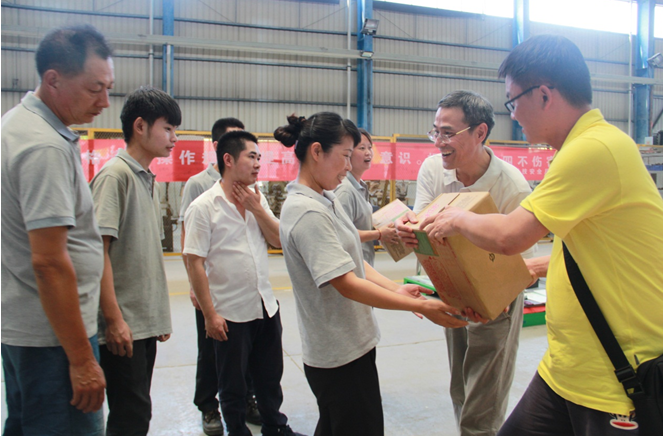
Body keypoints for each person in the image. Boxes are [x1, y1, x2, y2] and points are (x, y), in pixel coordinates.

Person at [417, 35, 663, 436]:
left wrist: (455, 218)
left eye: (513, 102)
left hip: (615, 371)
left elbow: (510, 236)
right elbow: (579, 251)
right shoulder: (581, 148)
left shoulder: (594, 148)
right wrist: (497, 286)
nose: (514, 115)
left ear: (544, 95)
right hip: (567, 364)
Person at [274, 112, 471, 436]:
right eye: (345, 156)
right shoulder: (306, 211)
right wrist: (421, 306)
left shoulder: (326, 199)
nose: (348, 166)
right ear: (317, 151)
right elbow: (347, 284)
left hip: (353, 342)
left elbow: (351, 261)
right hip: (337, 354)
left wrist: (395, 289)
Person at [395, 90, 537, 436]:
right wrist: (408, 229)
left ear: (480, 132)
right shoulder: (433, 169)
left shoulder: (511, 186)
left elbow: (524, 265)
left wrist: (497, 295)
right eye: (435, 132)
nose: (438, 142)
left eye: (447, 133)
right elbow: (422, 222)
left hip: (498, 298)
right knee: (460, 384)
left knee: (484, 397)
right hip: (453, 286)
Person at [1, 24, 113, 435]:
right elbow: (49, 261)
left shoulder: (20, 125)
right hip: (54, 341)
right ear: (53, 80)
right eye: (94, 89)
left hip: (32, 330)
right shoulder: (43, 146)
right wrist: (82, 361)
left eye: (108, 88)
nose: (104, 101)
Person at [184, 130, 306, 436]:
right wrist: (210, 315)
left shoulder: (257, 198)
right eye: (251, 157)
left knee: (269, 377)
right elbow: (194, 262)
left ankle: (275, 427)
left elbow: (277, 239)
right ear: (228, 160)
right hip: (230, 312)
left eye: (259, 158)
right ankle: (237, 430)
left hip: (265, 306)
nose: (257, 164)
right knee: (233, 384)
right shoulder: (203, 207)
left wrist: (257, 209)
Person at [90, 86, 180, 436]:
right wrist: (113, 320)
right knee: (130, 416)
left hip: (141, 324)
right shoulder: (116, 176)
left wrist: (157, 315)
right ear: (140, 126)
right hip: (122, 326)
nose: (174, 138)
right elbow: (97, 253)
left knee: (137, 411)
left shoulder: (146, 180)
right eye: (168, 128)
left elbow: (142, 256)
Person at [179, 117, 261, 435]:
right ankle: (208, 406)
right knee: (210, 350)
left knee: (244, 352)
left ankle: (248, 399)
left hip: (243, 292)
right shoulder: (199, 184)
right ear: (221, 150)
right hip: (211, 288)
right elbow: (188, 237)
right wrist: (194, 285)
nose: (252, 159)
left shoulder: (251, 186)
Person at [334, 128, 399, 266]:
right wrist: (379, 234)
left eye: (370, 147)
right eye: (362, 148)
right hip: (351, 267)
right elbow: (341, 234)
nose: (368, 152)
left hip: (363, 264)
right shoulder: (345, 190)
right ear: (348, 153)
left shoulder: (360, 186)